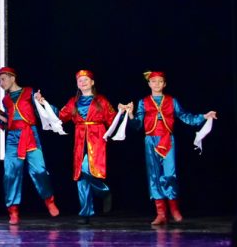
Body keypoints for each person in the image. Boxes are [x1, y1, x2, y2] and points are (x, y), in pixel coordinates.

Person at [121, 71, 217, 226]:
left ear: (164, 84)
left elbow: (186, 116)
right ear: (149, 84)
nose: (157, 84)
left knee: (169, 174)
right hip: (151, 140)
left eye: (160, 81)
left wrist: (204, 116)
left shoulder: (172, 101)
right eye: (154, 81)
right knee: (154, 175)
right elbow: (137, 124)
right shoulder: (143, 102)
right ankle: (161, 213)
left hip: (167, 139)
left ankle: (174, 209)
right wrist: (131, 114)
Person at [39, 70, 116, 223]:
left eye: (86, 80)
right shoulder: (73, 101)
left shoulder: (101, 100)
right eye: (80, 80)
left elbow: (113, 119)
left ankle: (104, 191)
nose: (83, 82)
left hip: (96, 138)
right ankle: (85, 213)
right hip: (80, 139)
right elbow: (60, 116)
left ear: (92, 82)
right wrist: (44, 104)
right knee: (80, 175)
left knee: (87, 169)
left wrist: (123, 113)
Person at [0, 67, 60, 225]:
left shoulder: (29, 92)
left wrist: (41, 102)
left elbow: (44, 112)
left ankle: (49, 200)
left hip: (30, 134)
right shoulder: (6, 100)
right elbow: (8, 121)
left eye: (3, 79)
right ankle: (13, 211)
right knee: (10, 174)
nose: (1, 83)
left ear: (12, 78)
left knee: (39, 170)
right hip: (12, 138)